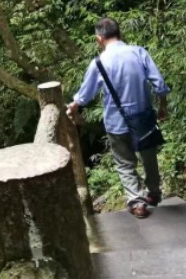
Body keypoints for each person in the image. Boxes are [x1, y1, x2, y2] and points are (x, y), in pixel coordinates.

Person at [68, 17, 170, 220]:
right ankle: (153, 193)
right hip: (144, 118)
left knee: (125, 163)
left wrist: (73, 107)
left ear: (99, 39)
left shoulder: (99, 62)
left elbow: (84, 95)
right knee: (149, 157)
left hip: (116, 122)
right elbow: (158, 83)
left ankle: (137, 202)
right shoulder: (138, 52)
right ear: (119, 33)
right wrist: (162, 106)